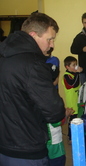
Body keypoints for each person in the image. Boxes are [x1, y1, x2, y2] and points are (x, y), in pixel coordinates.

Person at [0, 12, 65, 165]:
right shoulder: (33, 65)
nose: (52, 45)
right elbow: (55, 111)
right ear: (33, 35)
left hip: (4, 144)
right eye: (49, 39)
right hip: (27, 148)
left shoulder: (4, 56)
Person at [61, 56, 83, 143]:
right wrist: (77, 73)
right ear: (67, 67)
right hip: (72, 102)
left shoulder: (75, 75)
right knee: (73, 120)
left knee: (79, 119)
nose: (75, 67)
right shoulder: (66, 76)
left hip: (78, 101)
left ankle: (78, 135)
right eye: (73, 65)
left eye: (76, 65)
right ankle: (70, 136)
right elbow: (73, 84)